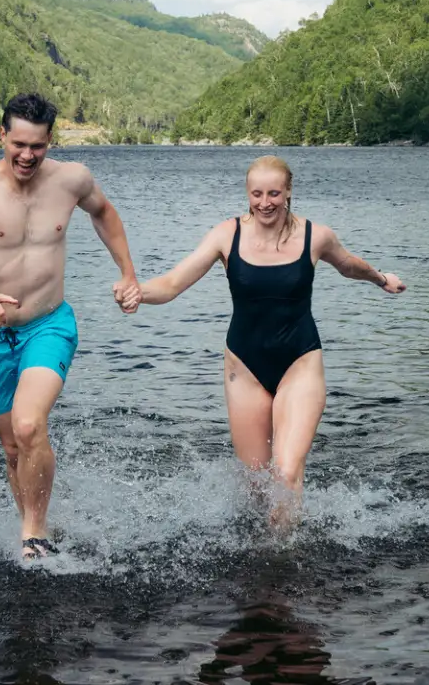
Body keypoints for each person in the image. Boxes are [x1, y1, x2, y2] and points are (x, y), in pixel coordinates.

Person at [0, 92, 141, 559]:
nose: (27, 155)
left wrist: (127, 273)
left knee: (28, 422)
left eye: (37, 146)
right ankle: (35, 526)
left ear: (49, 141)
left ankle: (33, 537)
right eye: (18, 143)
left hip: (49, 325)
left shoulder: (72, 180)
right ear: (0, 135)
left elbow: (105, 213)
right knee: (13, 446)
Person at [132, 155, 404, 528]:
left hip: (300, 362)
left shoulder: (315, 236)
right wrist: (138, 293)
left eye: (274, 193)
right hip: (244, 368)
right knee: (257, 489)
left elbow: (349, 264)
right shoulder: (226, 235)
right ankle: (267, 562)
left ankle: (285, 564)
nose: (265, 203)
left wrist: (380, 278)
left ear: (289, 191)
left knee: (286, 472)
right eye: (256, 194)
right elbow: (173, 283)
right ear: (247, 194)